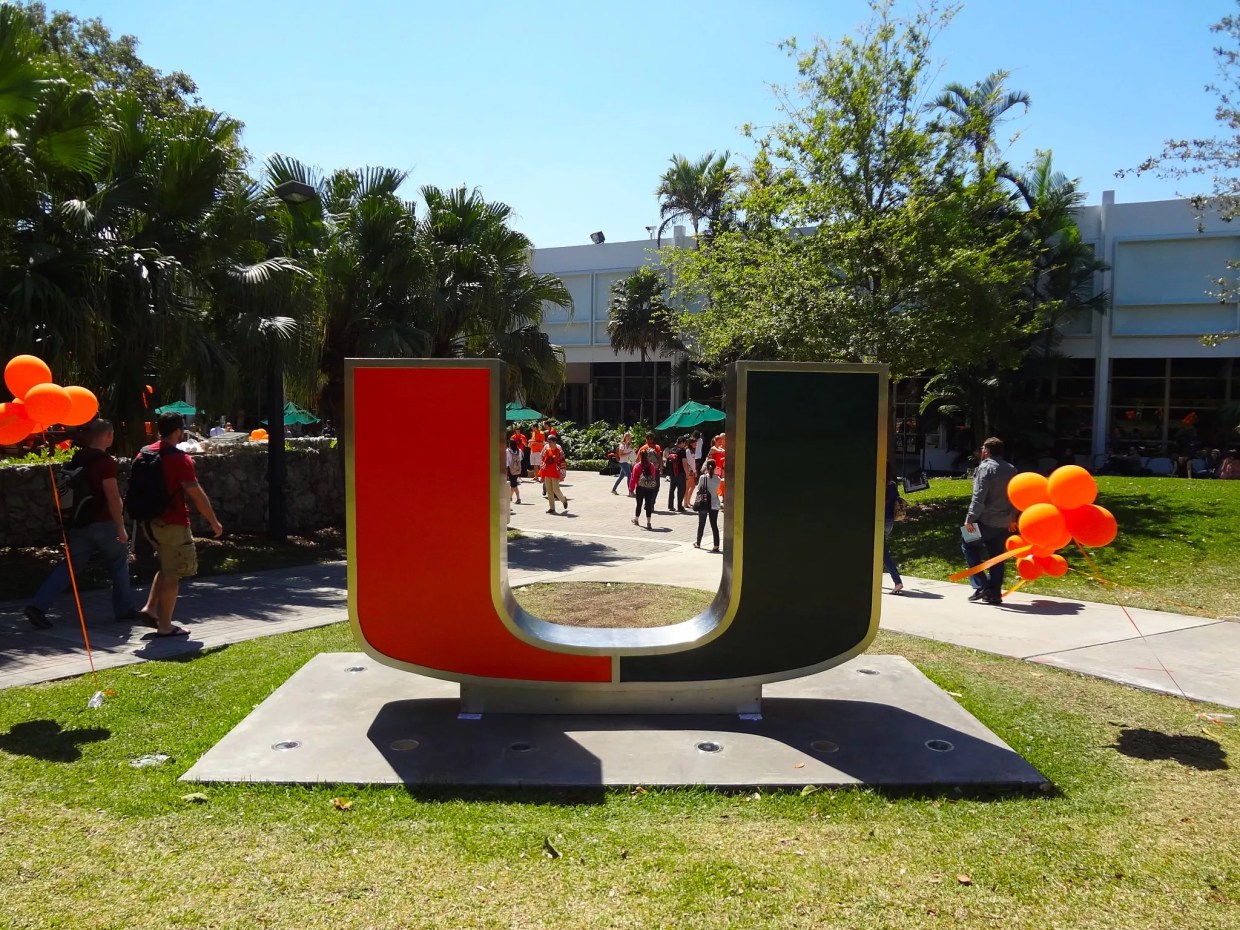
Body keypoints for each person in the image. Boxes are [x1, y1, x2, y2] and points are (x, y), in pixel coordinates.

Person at [24, 419, 145, 630]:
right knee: (118, 563)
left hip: (80, 522)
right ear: (107, 436)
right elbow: (113, 497)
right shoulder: (105, 462)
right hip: (103, 522)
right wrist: (120, 527)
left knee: (70, 566)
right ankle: (124, 609)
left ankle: (38, 606)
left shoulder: (77, 458)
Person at [137, 412, 224, 636]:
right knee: (174, 573)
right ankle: (165, 626)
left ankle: (150, 608)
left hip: (148, 522)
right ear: (178, 431)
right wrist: (213, 521)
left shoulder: (143, 454)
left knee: (166, 566)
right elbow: (196, 494)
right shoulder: (179, 459)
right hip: (172, 522)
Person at [961, 436, 1018, 605]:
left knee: (966, 544)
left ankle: (982, 585)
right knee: (997, 557)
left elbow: (978, 498)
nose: (981, 451)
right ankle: (994, 594)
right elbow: (1015, 496)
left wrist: (969, 519)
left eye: (983, 449)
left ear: (987, 451)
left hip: (984, 520)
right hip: (1003, 522)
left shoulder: (985, 468)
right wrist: (1013, 518)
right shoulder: (1011, 469)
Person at [692, 458, 723, 552]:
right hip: (714, 504)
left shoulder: (702, 478)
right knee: (714, 525)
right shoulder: (717, 479)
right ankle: (716, 545)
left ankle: (698, 542)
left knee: (701, 524)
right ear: (714, 468)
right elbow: (717, 490)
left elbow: (698, 489)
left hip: (703, 503)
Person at [883, 464, 905, 595]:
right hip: (889, 522)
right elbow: (896, 500)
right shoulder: (892, 485)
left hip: (879, 521)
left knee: (882, 553)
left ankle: (897, 581)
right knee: (878, 551)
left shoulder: (879, 484)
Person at [630, 448, 660, 529]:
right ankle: (648, 522)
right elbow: (653, 476)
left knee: (639, 504)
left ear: (639, 456)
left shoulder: (637, 466)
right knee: (648, 505)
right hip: (649, 488)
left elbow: (633, 479)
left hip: (640, 488)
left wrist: (631, 489)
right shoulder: (651, 465)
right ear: (647, 456)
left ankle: (636, 519)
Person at [539, 434, 568, 514]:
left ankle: (563, 500)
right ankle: (552, 508)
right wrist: (542, 474)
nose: (549, 443)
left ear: (555, 442)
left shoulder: (559, 451)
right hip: (548, 473)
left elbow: (563, 463)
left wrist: (562, 473)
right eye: (548, 441)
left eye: (550, 441)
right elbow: (544, 461)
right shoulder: (547, 450)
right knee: (549, 491)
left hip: (555, 473)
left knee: (556, 489)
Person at [665, 437, 689, 513]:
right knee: (681, 490)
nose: (685, 445)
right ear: (682, 443)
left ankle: (670, 506)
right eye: (684, 443)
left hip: (672, 473)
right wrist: (687, 474)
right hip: (681, 473)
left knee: (672, 489)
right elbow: (684, 463)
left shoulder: (672, 450)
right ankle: (679, 506)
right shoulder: (682, 451)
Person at [611, 430, 636, 495]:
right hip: (622, 462)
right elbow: (620, 455)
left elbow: (631, 453)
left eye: (630, 437)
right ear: (625, 438)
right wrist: (628, 453)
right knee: (629, 476)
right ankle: (630, 491)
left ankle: (613, 489)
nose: (630, 438)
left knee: (621, 477)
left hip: (626, 462)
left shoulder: (629, 445)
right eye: (629, 437)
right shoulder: (622, 445)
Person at [505, 438, 523, 505]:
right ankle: (510, 497)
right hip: (518, 469)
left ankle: (518, 498)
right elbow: (520, 459)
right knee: (513, 483)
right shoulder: (519, 450)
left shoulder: (508, 451)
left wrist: (506, 469)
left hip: (511, 469)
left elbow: (507, 461)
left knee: (514, 484)